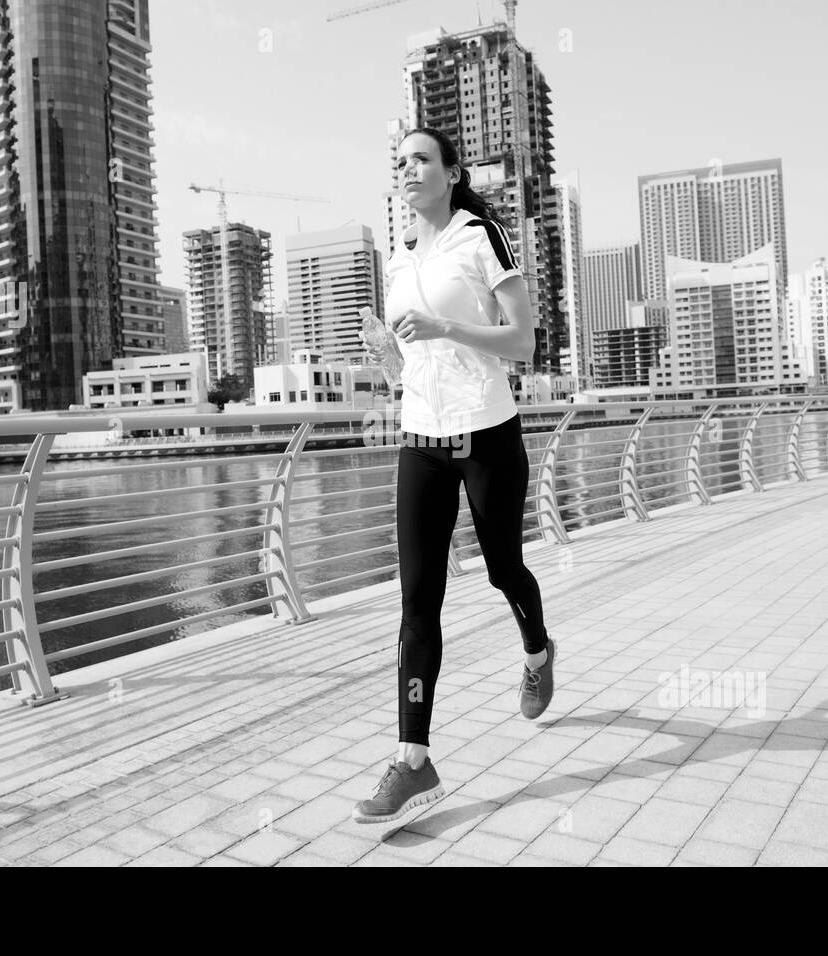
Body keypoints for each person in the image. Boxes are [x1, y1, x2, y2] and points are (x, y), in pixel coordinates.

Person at [352, 127, 556, 825]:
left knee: (504, 569)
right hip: (420, 441)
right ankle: (413, 760)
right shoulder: (399, 258)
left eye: (420, 158)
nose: (407, 168)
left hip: (488, 434)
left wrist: (446, 328)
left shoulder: (480, 236)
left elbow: (524, 343)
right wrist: (384, 352)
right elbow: (405, 372)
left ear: (451, 171)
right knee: (417, 605)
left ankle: (536, 652)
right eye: (399, 160)